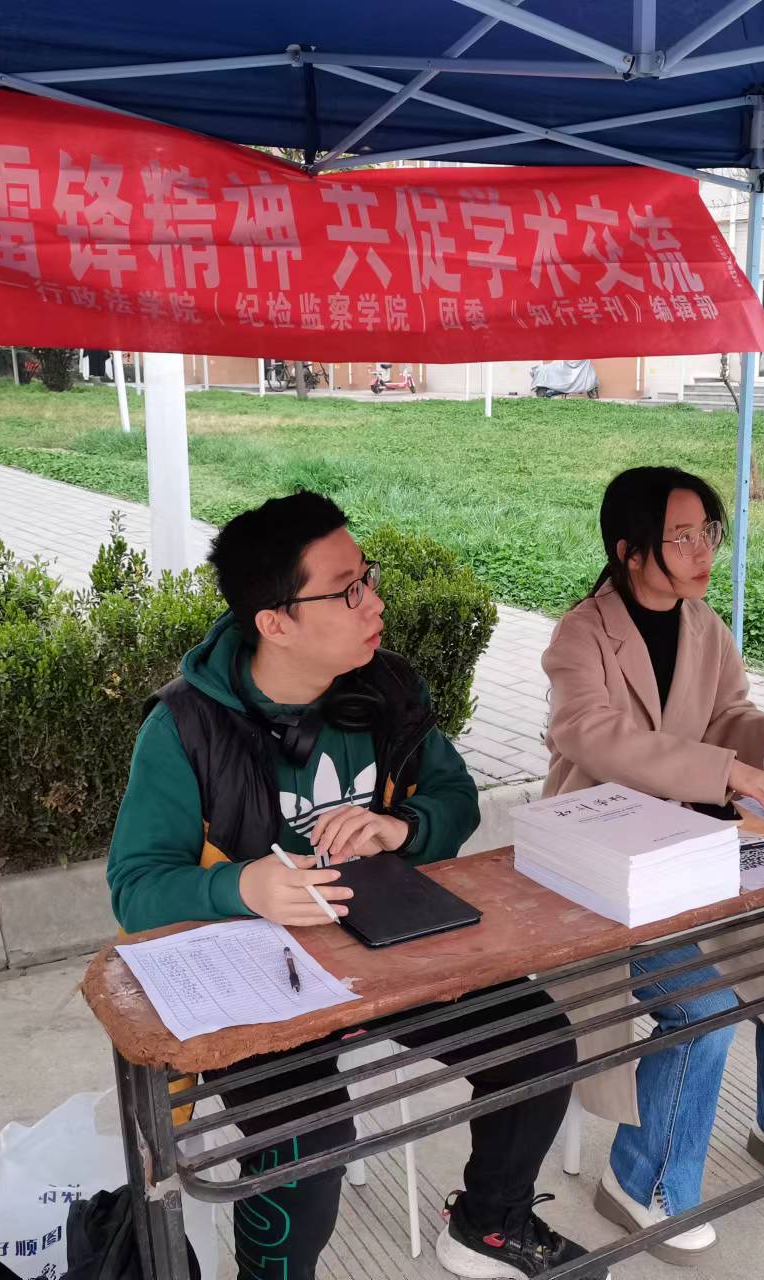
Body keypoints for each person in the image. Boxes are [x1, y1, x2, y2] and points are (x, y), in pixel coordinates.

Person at [107, 491, 606, 1280]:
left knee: (536, 1041)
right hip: (259, 977)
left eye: (367, 577)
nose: (374, 602)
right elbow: (136, 890)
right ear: (275, 622)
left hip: (390, 941)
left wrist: (401, 829)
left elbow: (454, 797)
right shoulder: (184, 729)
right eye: (346, 591)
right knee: (309, 1143)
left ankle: (489, 1225)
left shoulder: (384, 689)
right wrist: (243, 889)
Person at [540, 467, 764, 1264]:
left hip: (693, 845)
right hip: (605, 866)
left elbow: (726, 714)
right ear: (630, 552)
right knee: (703, 1001)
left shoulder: (704, 625)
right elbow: (594, 737)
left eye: (706, 533)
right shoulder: (582, 634)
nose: (700, 551)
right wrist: (725, 772)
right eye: (680, 537)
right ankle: (639, 1179)